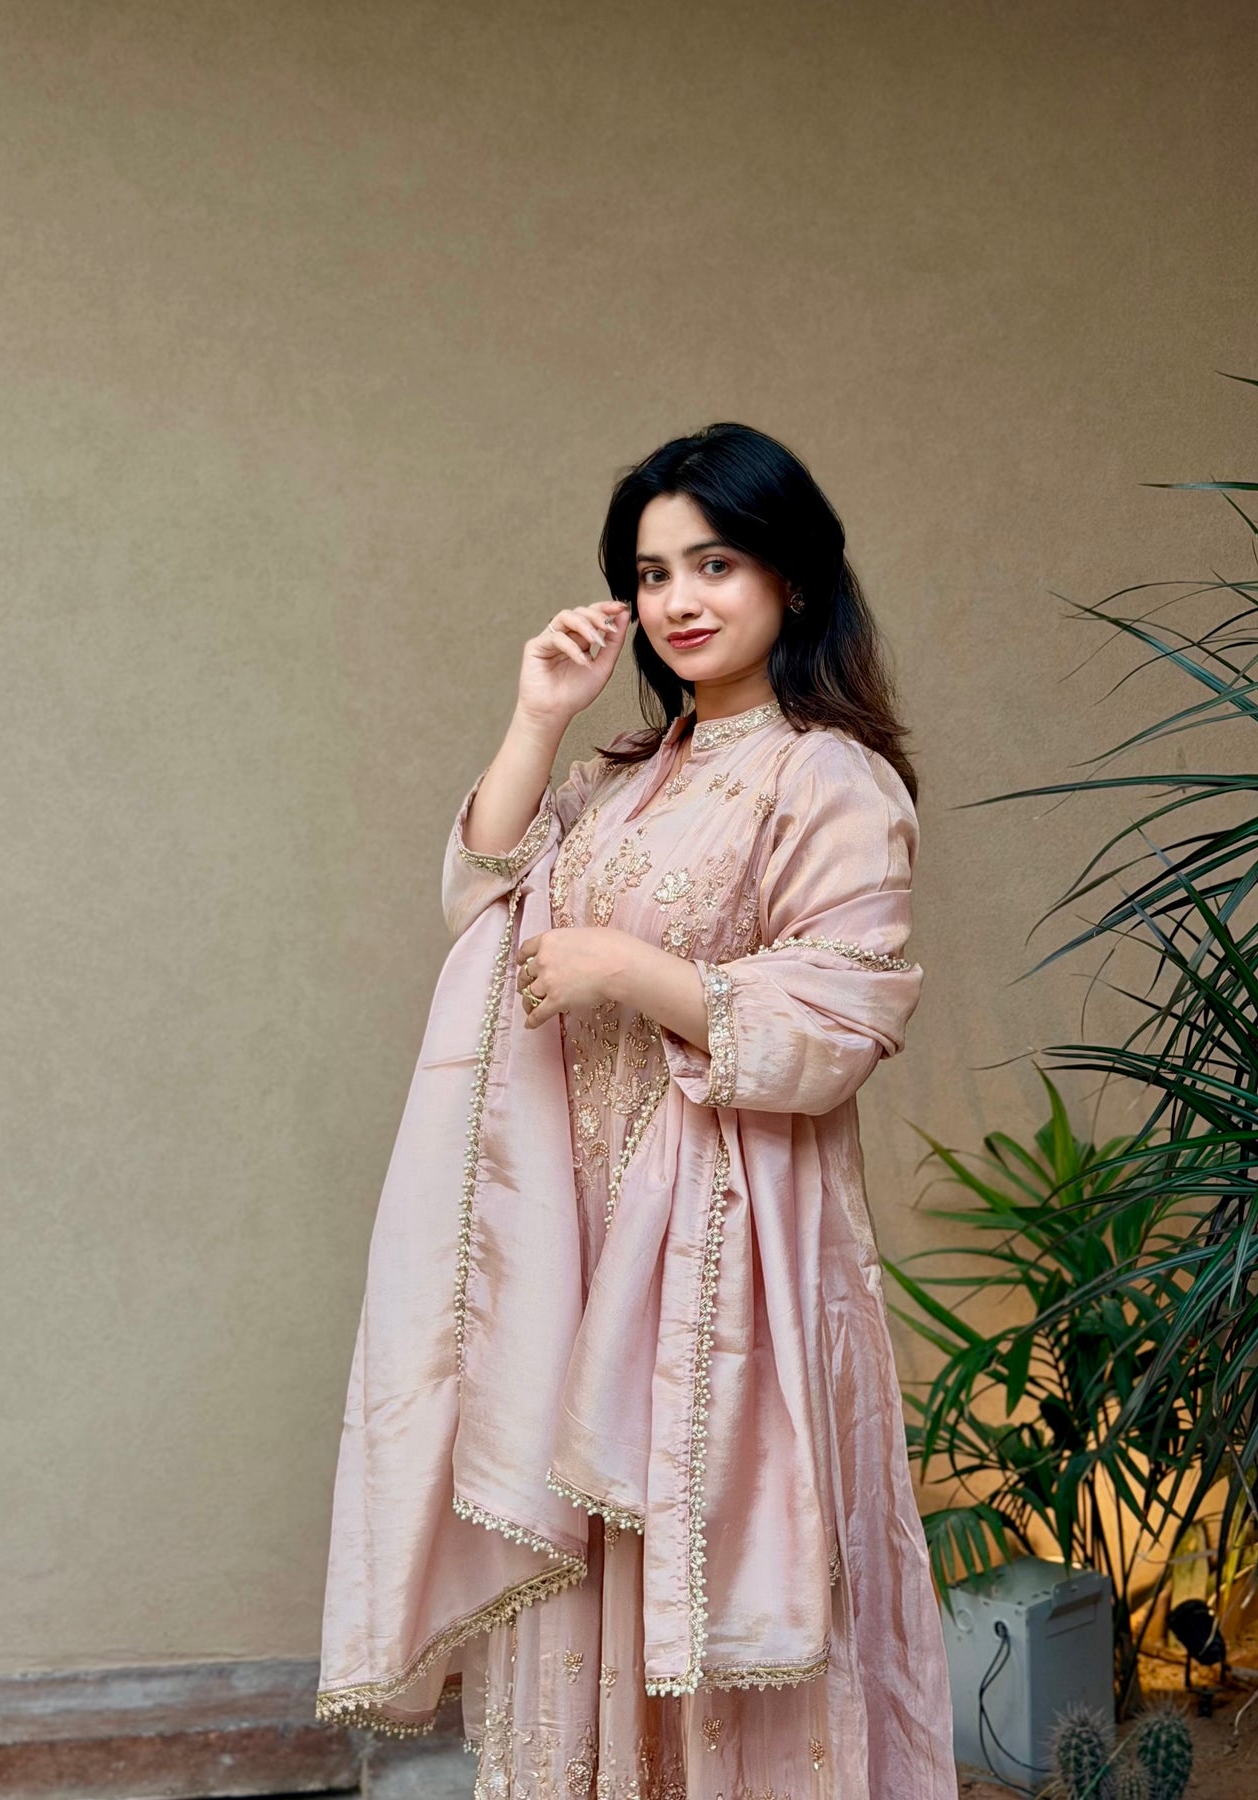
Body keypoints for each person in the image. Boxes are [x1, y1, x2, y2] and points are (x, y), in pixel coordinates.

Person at [315, 423, 958, 1799]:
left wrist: (633, 973)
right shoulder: (619, 777)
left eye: (714, 563)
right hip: (576, 1251)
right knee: (586, 1572)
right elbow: (483, 898)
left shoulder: (826, 777)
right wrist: (539, 715)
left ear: (792, 575)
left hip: (727, 1264)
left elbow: (841, 1020)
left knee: (715, 1591)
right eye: (652, 573)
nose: (679, 601)